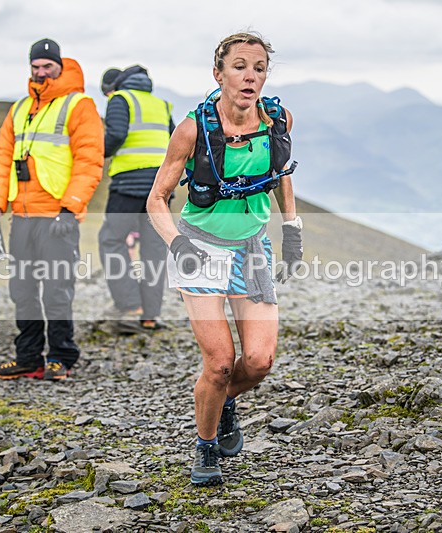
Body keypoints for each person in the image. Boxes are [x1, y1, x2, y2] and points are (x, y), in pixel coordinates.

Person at [146, 32, 303, 486]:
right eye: (239, 66)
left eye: (259, 67)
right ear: (218, 74)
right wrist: (177, 243)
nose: (250, 76)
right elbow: (156, 200)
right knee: (219, 362)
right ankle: (206, 444)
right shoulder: (193, 129)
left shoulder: (278, 120)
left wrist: (292, 231)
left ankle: (222, 400)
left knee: (259, 361)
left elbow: (282, 172)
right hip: (199, 248)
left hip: (252, 247)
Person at [0, 38, 104, 381]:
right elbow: (2, 160)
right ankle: (28, 357)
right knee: (21, 290)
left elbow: (89, 160)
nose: (40, 72)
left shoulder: (79, 105)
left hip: (57, 217)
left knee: (56, 289)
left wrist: (71, 207)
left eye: (47, 66)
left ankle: (60, 357)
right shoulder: (19, 109)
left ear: (59, 67)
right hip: (22, 216)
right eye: (35, 67)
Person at [98, 65, 174, 334]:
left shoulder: (121, 99)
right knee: (154, 249)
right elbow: (175, 141)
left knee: (111, 240)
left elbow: (116, 135)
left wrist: (96, 152)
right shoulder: (161, 105)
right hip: (160, 188)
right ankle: (150, 315)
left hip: (128, 184)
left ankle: (130, 306)